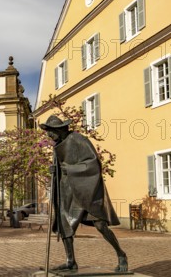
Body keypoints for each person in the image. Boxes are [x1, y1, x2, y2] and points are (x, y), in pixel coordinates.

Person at [40, 115, 128, 272]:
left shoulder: (78, 139)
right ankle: (70, 261)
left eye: (50, 131)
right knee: (65, 226)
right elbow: (60, 167)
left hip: (87, 190)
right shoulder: (57, 146)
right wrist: (55, 170)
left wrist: (71, 169)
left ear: (59, 130)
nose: (48, 135)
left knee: (100, 225)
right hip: (67, 192)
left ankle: (121, 254)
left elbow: (93, 164)